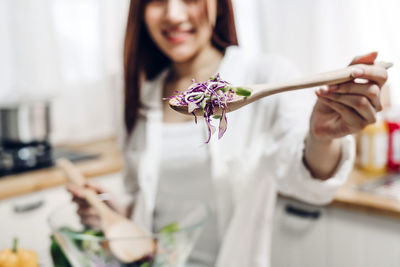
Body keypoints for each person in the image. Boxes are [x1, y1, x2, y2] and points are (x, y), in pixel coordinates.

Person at [67, 0, 389, 266]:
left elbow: (309, 184)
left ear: (219, 5)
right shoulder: (143, 95)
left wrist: (321, 136)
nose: (174, 14)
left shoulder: (265, 74)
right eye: (157, 0)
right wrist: (109, 214)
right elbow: (147, 203)